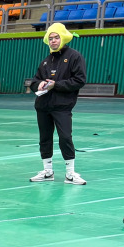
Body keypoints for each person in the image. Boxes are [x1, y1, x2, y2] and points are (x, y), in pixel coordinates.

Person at [30, 22, 87, 185]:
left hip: (62, 106)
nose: (53, 41)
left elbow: (79, 80)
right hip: (43, 106)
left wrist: (57, 85)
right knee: (45, 138)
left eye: (56, 37)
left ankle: (70, 174)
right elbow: (35, 80)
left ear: (63, 38)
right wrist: (38, 85)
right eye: (50, 38)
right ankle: (48, 172)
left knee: (65, 137)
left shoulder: (75, 56)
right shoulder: (46, 61)